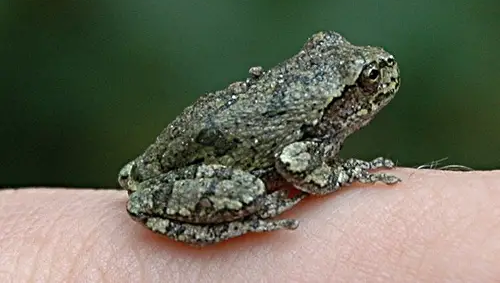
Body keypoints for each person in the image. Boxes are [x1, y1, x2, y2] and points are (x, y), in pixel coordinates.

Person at [0, 168, 498, 282]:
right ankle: (233, 223)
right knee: (250, 193)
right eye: (364, 85)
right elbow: (299, 165)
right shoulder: (309, 125)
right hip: (194, 176)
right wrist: (347, 174)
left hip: (150, 168)